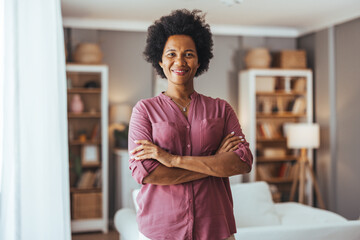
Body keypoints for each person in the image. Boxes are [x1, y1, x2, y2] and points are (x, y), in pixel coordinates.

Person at [128, 9, 253, 240]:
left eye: (188, 54)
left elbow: (243, 163)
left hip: (216, 227)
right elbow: (147, 173)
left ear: (199, 61)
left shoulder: (222, 109)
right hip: (162, 229)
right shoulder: (144, 110)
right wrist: (214, 164)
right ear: (160, 60)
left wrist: (172, 160)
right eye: (171, 54)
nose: (180, 61)